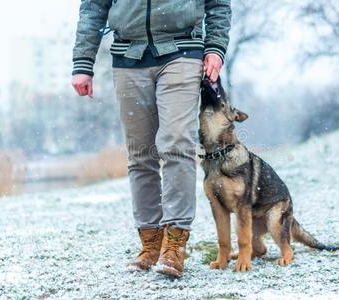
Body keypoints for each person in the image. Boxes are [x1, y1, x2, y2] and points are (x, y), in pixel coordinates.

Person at [71, 0, 231, 278]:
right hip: (128, 57)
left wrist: (215, 48)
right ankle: (150, 243)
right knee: (140, 154)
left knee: (176, 145)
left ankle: (175, 244)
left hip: (182, 51)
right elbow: (93, 6)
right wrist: (83, 62)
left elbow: (218, 3)